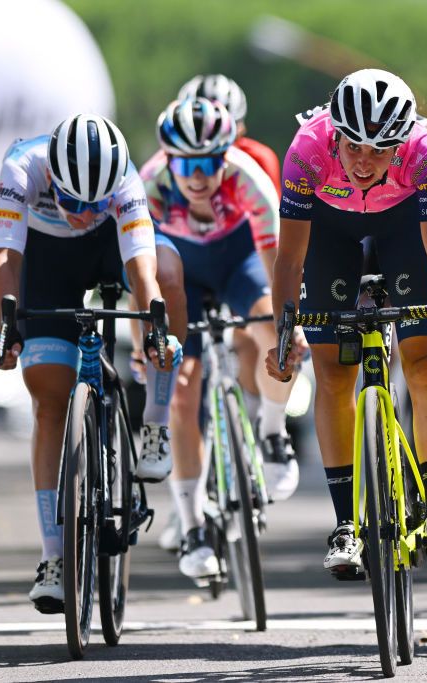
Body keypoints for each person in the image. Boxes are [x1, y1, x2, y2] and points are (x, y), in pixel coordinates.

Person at [265, 69, 427, 575]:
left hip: (403, 229)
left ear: (400, 144)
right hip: (330, 232)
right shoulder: (306, 152)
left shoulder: (424, 154)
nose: (363, 161)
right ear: (334, 134)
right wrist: (282, 334)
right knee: (334, 373)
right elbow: (290, 260)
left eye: (379, 151)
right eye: (354, 146)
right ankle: (344, 524)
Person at [0, 114, 182, 613]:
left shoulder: (125, 182)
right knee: (49, 403)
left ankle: (156, 424)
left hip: (107, 248)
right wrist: (7, 331)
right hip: (47, 259)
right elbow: (6, 260)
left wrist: (156, 333)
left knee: (169, 273)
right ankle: (54, 557)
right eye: (73, 201)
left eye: (93, 204)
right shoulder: (22, 166)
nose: (80, 211)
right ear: (53, 176)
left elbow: (142, 271)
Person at [139, 97, 300, 582]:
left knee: (276, 334)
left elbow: (278, 266)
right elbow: (138, 279)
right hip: (178, 271)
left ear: (225, 156)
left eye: (209, 163)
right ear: (169, 159)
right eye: (185, 163)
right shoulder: (150, 187)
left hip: (239, 263)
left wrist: (289, 327)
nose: (197, 176)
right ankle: (191, 525)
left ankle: (272, 432)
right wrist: (147, 349)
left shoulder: (248, 180)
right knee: (181, 392)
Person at [178, 73, 281, 196]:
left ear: (240, 130)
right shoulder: (162, 165)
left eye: (223, 133)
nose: (209, 146)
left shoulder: (260, 159)